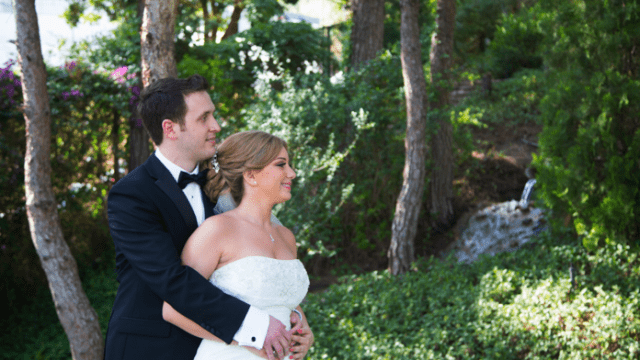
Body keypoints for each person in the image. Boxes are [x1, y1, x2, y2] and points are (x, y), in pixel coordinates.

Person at [104, 75, 312, 360]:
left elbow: (259, 268)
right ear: (171, 128)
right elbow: (173, 280)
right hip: (152, 348)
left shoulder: (221, 188)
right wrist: (258, 327)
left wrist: (295, 320)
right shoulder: (132, 195)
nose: (217, 126)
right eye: (205, 118)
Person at [162, 130, 313, 360]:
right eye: (281, 165)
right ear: (251, 175)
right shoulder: (217, 231)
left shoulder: (286, 237)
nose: (291, 173)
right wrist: (246, 338)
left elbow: (278, 296)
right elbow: (173, 309)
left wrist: (303, 327)